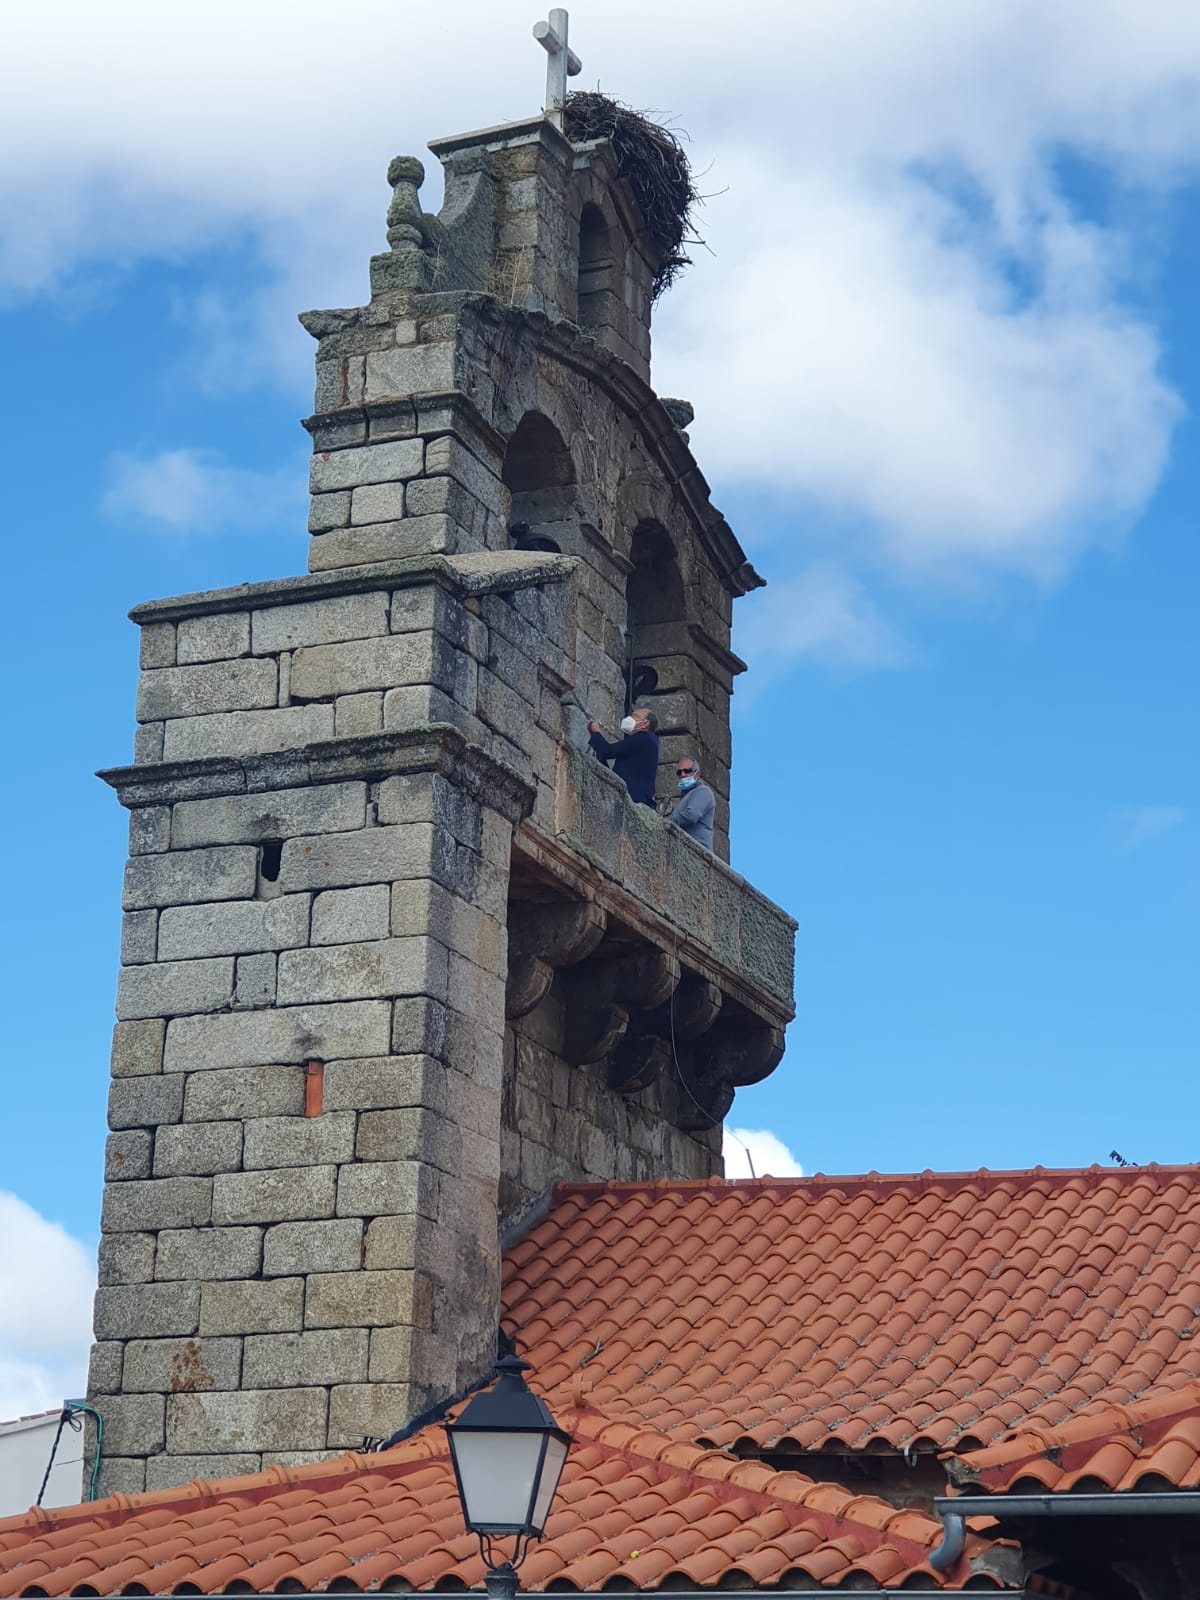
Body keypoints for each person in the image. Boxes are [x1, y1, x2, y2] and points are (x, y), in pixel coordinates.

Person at [587, 706, 659, 806]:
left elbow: (607, 751)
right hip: (639, 796)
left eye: (635, 716)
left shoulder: (642, 738)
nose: (630, 718)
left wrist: (596, 733)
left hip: (633, 795)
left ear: (645, 724)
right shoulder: (650, 741)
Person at [667, 757, 715, 850]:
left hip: (698, 852)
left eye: (687, 771)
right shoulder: (687, 796)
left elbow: (691, 816)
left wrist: (667, 821)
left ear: (697, 774)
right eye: (679, 772)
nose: (683, 774)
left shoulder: (703, 791)